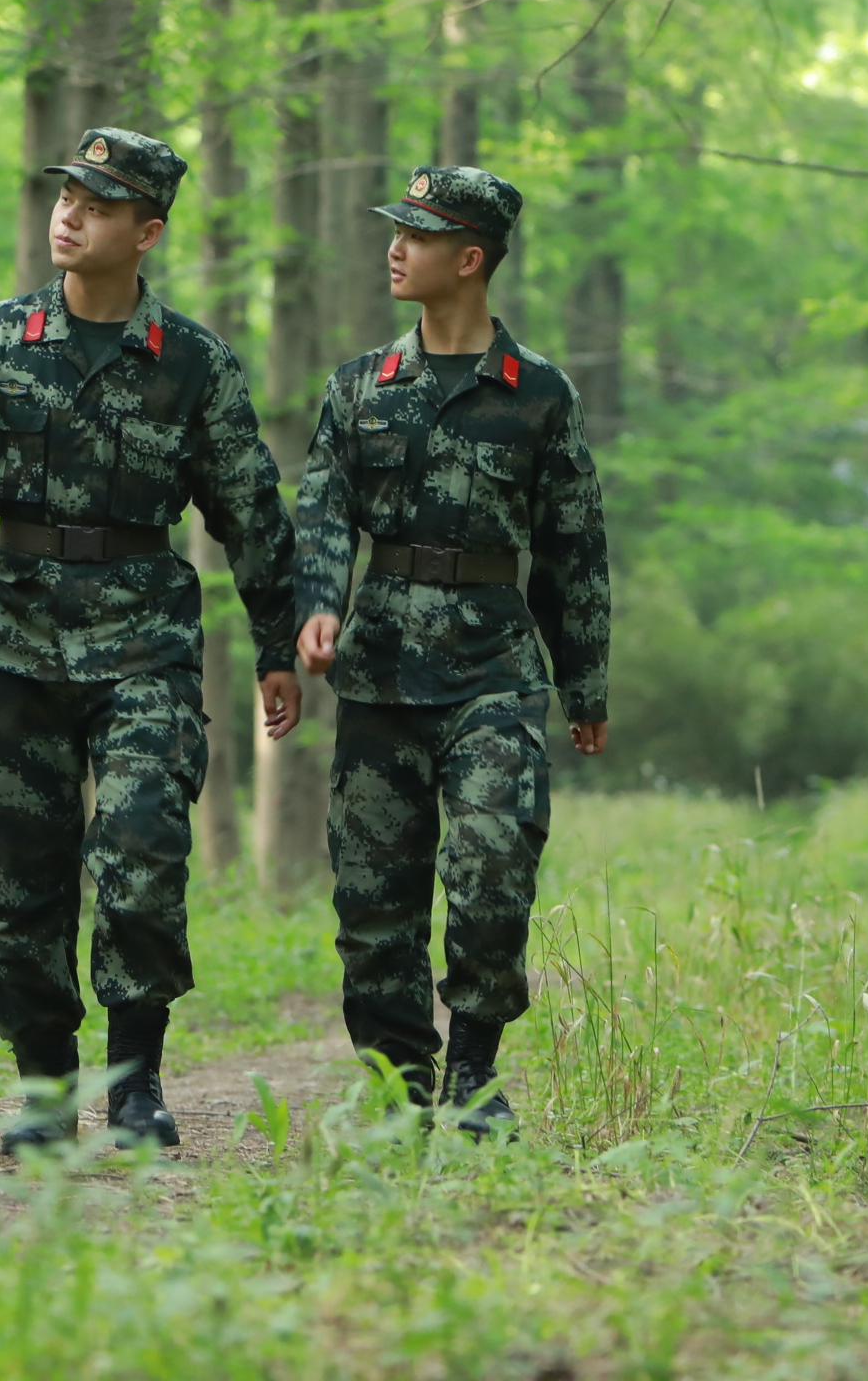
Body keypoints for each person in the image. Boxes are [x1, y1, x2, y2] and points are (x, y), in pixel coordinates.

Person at [0, 128, 300, 1153]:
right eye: (66, 194)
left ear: (147, 232)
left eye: (100, 204)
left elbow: (250, 507)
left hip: (145, 638)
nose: (70, 214)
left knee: (143, 845)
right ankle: (43, 1085)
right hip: (16, 633)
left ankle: (135, 1079)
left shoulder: (192, 363)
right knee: (20, 872)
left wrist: (280, 642)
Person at [279, 165, 611, 1135]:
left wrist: (584, 681)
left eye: (416, 235)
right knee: (374, 899)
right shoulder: (361, 385)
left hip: (495, 668)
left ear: (469, 258)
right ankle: (396, 1086)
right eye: (395, 231)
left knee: (493, 859)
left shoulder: (539, 393)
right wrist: (316, 607)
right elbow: (325, 508)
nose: (395, 247)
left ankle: (473, 1071)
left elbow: (574, 549)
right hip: (380, 666)